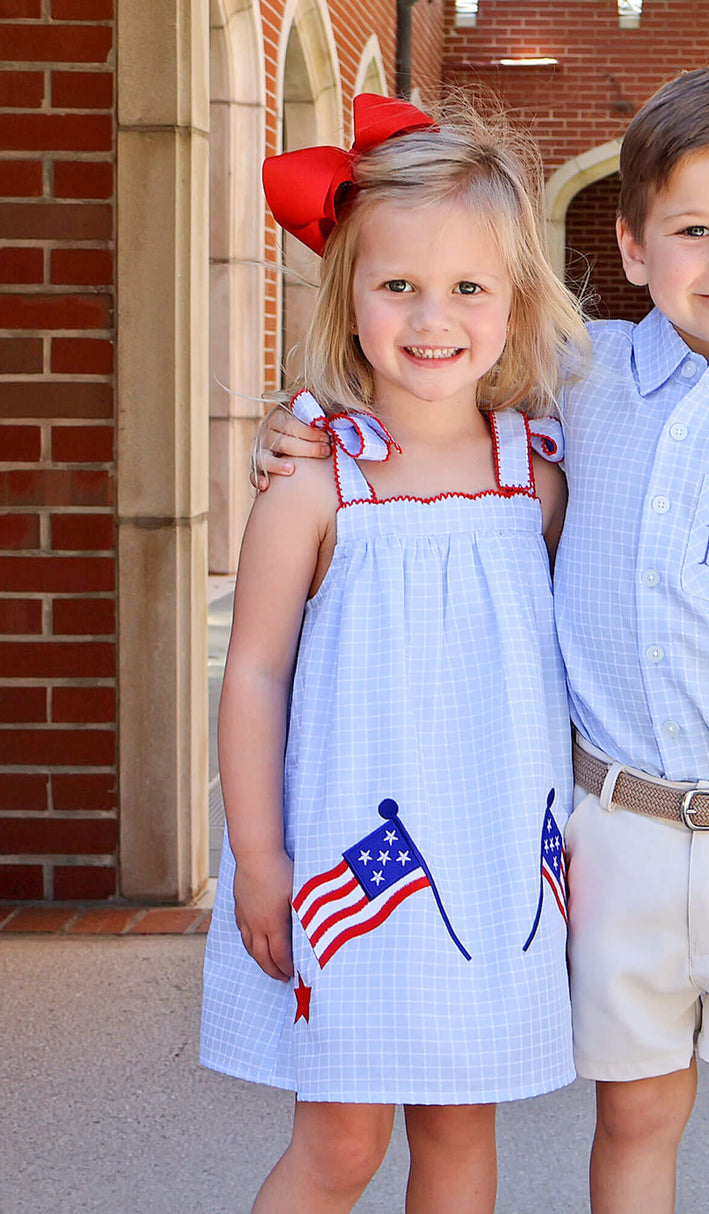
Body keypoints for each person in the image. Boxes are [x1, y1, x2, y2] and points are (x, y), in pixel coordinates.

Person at [257, 67, 709, 1214]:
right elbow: (437, 372)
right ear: (630, 244)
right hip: (610, 831)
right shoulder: (583, 376)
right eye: (693, 229)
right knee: (634, 1112)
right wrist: (303, 422)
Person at [201, 93, 589, 1214]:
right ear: (347, 296)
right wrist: (259, 854)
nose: (433, 317)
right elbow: (257, 672)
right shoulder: (313, 483)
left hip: (490, 859)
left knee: (462, 1134)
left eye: (469, 287)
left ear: (516, 301)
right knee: (341, 1145)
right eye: (398, 286)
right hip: (354, 855)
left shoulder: (539, 478)